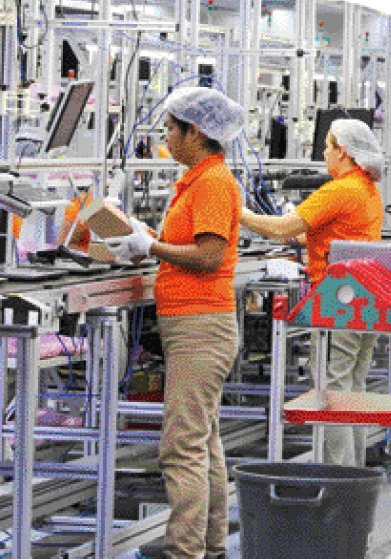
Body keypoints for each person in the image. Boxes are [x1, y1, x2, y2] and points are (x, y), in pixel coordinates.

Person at [104, 87, 244, 559]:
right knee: (204, 441)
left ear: (196, 132)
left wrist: (152, 247)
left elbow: (209, 255)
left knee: (181, 447)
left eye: (171, 128)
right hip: (196, 322)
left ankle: (184, 551)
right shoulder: (198, 179)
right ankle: (210, 543)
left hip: (201, 324)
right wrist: (145, 238)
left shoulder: (212, 183)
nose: (166, 137)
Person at [239, 118, 384, 467]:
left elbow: (283, 228)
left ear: (343, 152)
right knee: (353, 389)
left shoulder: (340, 190)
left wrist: (238, 213)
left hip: (338, 297)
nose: (323, 152)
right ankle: (354, 470)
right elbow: (333, 234)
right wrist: (301, 234)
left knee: (332, 392)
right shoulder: (367, 189)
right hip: (367, 297)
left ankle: (337, 475)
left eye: (328, 146)